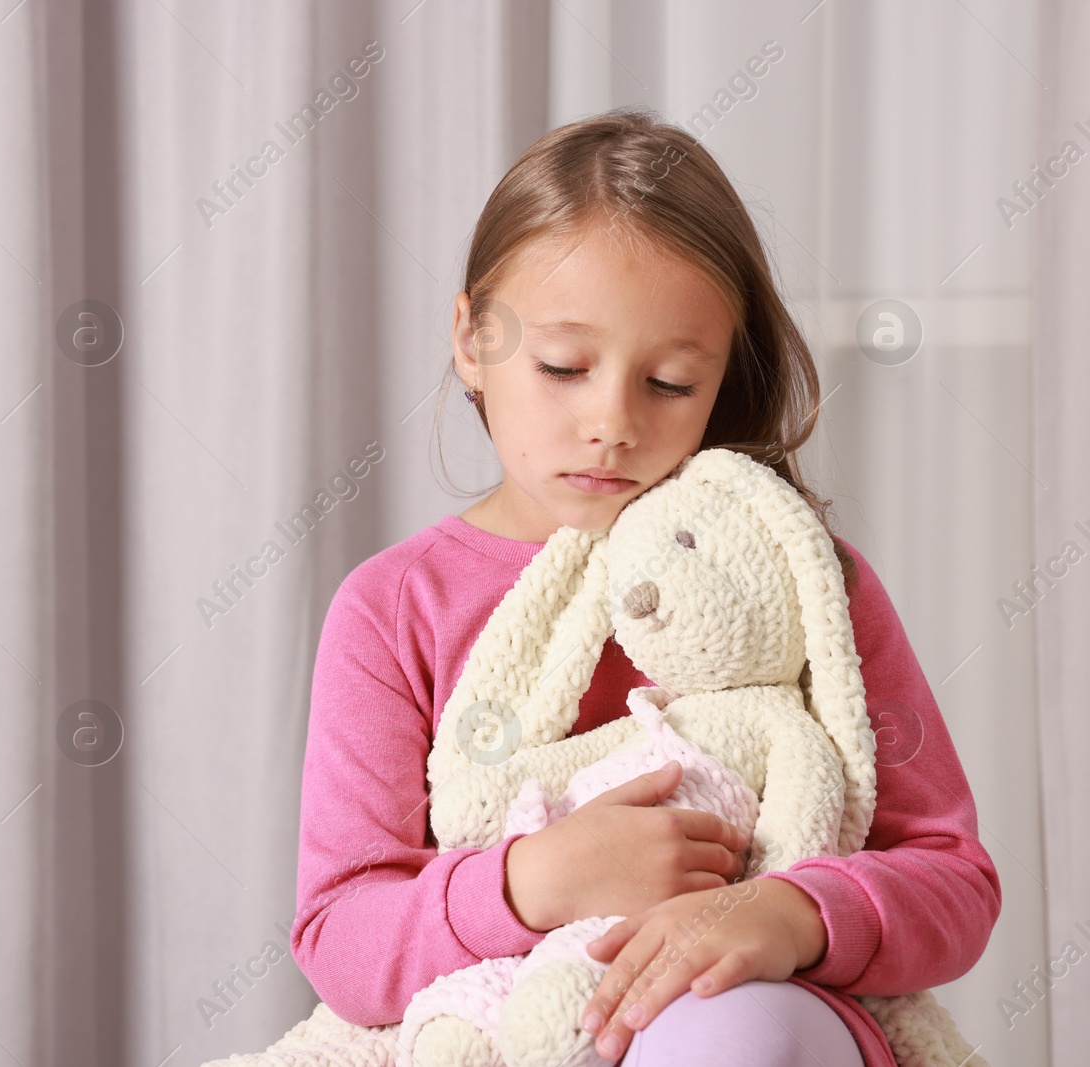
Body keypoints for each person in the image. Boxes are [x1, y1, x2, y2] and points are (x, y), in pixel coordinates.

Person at [288, 106, 1000, 1066]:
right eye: (564, 367)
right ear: (472, 339)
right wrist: (529, 882)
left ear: (721, 381)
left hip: (745, 1019)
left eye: (669, 382)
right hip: (496, 1024)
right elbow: (341, 933)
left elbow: (951, 879)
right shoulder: (393, 608)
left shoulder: (799, 582)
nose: (612, 421)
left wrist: (789, 911)